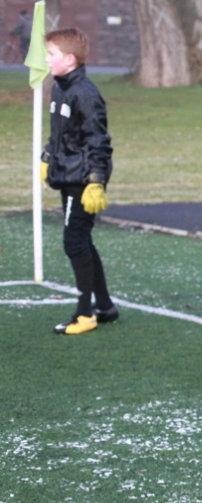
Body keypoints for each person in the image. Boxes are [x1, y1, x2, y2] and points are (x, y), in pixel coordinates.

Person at [42, 27, 117, 335]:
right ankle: (105, 306)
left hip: (82, 180)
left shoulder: (84, 93)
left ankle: (85, 314)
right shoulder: (59, 88)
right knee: (82, 240)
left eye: (51, 55)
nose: (47, 60)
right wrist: (47, 157)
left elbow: (99, 140)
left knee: (74, 243)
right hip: (67, 173)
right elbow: (61, 133)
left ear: (69, 59)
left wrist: (96, 180)